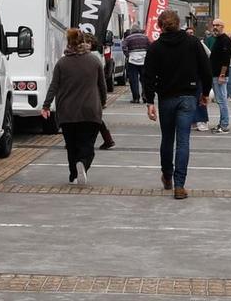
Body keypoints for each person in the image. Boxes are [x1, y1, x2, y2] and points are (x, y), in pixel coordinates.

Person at [143, 9, 213, 199]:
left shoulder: (156, 47)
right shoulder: (192, 43)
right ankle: (180, 185)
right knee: (183, 141)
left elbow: (147, 75)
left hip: (166, 98)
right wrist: (205, 93)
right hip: (188, 97)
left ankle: (167, 175)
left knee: (167, 139)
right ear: (180, 23)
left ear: (159, 26)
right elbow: (206, 69)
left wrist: (149, 101)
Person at [42, 26, 109, 185]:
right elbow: (102, 85)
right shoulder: (94, 61)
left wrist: (46, 106)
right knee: (87, 145)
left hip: (67, 112)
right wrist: (103, 102)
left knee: (71, 146)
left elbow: (54, 86)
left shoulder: (62, 63)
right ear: (84, 41)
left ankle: (73, 175)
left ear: (69, 43)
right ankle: (83, 164)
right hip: (90, 111)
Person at [203, 20, 231, 133]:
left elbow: (226, 60)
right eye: (214, 25)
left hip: (219, 75)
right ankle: (222, 123)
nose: (215, 27)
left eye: (217, 25)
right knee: (220, 100)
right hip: (215, 74)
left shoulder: (225, 40)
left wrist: (222, 75)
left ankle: (224, 125)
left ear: (222, 27)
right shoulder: (218, 39)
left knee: (222, 101)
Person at [122, 27, 151, 104]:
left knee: (133, 80)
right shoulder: (145, 37)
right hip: (144, 60)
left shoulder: (128, 38)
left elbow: (124, 47)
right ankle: (145, 96)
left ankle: (136, 98)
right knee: (144, 80)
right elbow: (150, 46)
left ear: (132, 31)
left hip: (132, 60)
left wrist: (128, 55)